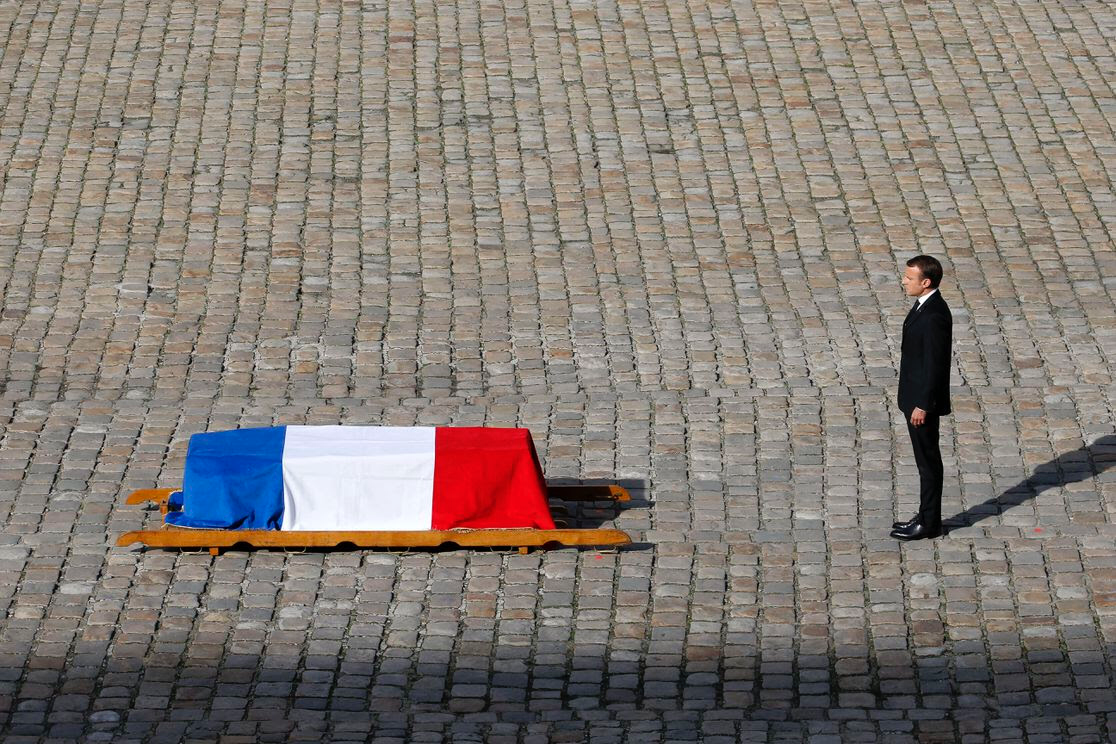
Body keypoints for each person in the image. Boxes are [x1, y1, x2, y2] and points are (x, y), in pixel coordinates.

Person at [891, 255, 952, 541]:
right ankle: (926, 516)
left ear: (925, 282)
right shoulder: (923, 306)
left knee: (928, 464)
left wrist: (924, 405)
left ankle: (929, 523)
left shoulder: (934, 315)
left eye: (909, 277)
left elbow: (935, 365)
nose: (904, 281)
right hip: (914, 397)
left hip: (921, 404)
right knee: (924, 462)